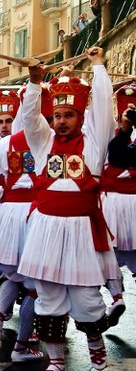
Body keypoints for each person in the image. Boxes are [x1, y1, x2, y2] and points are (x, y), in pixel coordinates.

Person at [19, 48, 120, 371]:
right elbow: (29, 119)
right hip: (47, 230)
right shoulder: (43, 143)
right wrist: (36, 84)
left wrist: (99, 66)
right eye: (58, 116)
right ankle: (57, 359)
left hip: (80, 232)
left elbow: (104, 109)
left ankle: (96, 352)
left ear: (81, 116)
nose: (61, 121)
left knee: (86, 298)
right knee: (48, 299)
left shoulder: (93, 144)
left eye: (69, 115)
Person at [0, 88, 46, 364]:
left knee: (13, 278)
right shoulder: (50, 141)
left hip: (9, 216)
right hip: (37, 216)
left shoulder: (8, 143)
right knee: (36, 288)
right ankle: (23, 345)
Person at [99, 84, 136, 326]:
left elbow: (116, 157)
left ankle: (116, 297)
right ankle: (117, 298)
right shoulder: (109, 134)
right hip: (122, 202)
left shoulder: (109, 135)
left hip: (114, 202)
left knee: (106, 256)